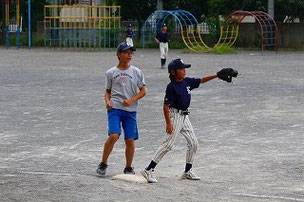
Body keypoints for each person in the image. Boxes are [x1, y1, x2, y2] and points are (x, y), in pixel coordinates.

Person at [141, 58, 220, 183]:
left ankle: (187, 171)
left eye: (184, 69)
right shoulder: (171, 87)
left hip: (185, 117)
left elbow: (201, 80)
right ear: (173, 72)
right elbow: (165, 106)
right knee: (168, 145)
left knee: (193, 143)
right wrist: (168, 123)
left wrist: (217, 75)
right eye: (181, 69)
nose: (184, 71)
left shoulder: (186, 82)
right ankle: (148, 170)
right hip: (175, 116)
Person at [96, 42, 146, 176]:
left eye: (131, 52)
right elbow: (107, 91)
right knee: (114, 135)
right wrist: (107, 101)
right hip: (115, 109)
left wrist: (131, 100)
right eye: (126, 52)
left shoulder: (136, 72)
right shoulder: (111, 72)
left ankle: (128, 167)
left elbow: (143, 91)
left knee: (129, 139)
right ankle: (103, 162)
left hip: (130, 111)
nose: (129, 55)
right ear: (118, 54)